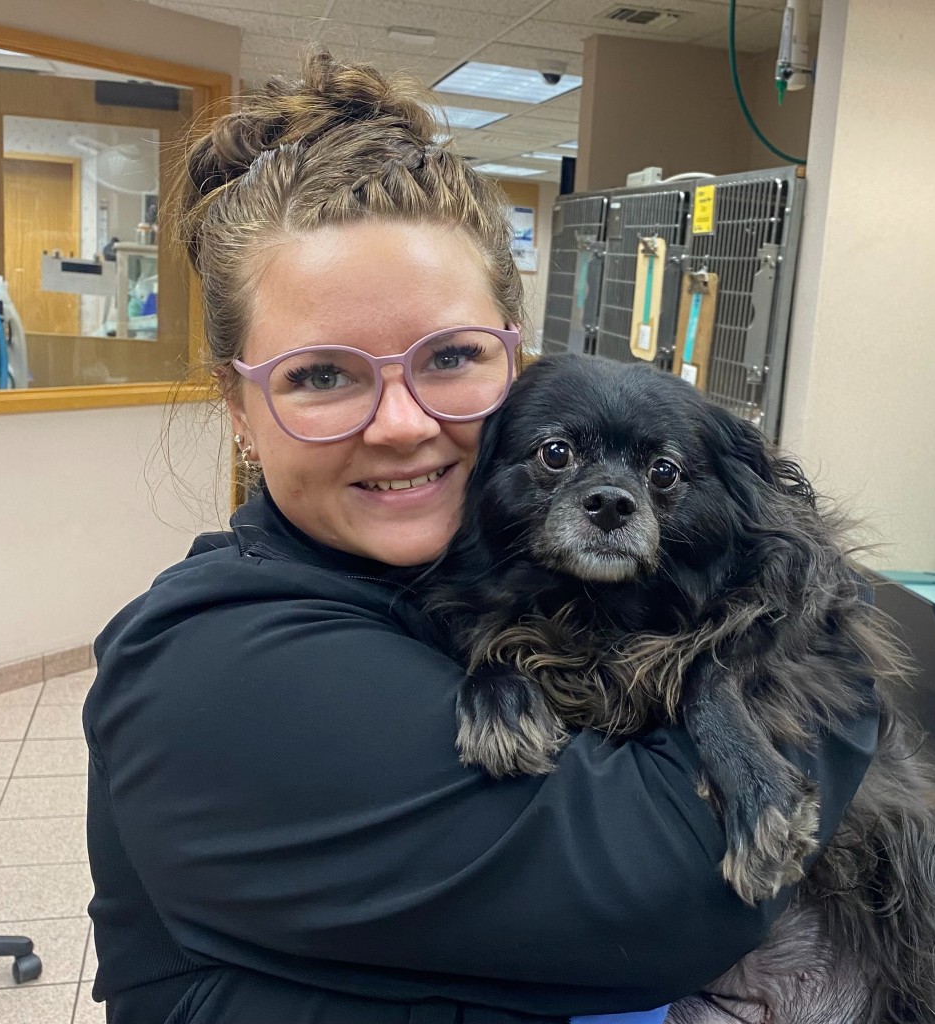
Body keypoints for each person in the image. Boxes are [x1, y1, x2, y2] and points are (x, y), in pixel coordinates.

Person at [82, 51, 880, 1024]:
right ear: (238, 406)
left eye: (449, 357)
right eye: (322, 375)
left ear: (514, 357)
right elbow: (672, 895)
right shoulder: (209, 667)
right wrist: (808, 627)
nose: (401, 422)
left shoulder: (502, 580)